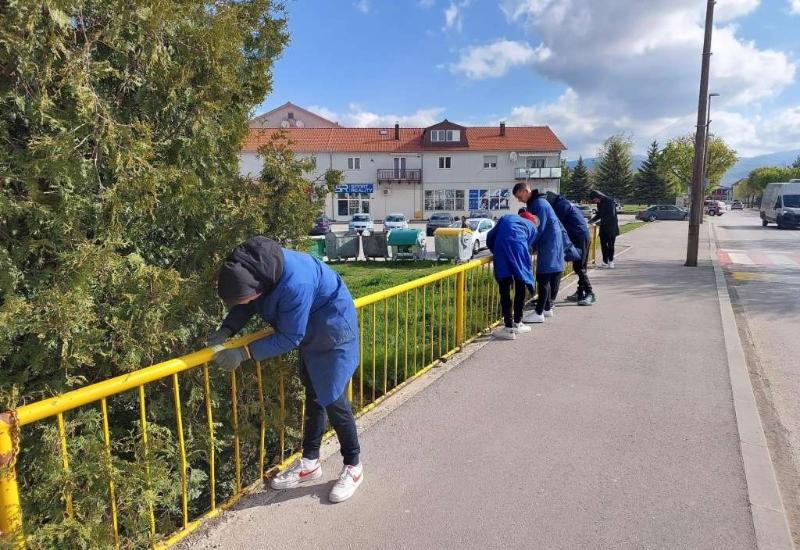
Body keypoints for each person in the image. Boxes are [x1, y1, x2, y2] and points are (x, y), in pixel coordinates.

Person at [207, 236, 363, 503]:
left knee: (335, 400)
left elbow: (291, 336)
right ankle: (310, 462)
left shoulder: (295, 282)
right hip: (309, 332)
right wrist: (228, 328)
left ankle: (353, 466)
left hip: (333, 332)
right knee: (315, 395)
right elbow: (247, 303)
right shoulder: (257, 268)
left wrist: (243, 352)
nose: (244, 303)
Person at [512, 183, 565, 323]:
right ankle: (547, 308)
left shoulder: (538, 204)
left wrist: (526, 245)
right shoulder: (539, 202)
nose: (519, 200)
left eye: (519, 196)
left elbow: (537, 228)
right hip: (551, 243)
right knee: (546, 277)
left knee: (543, 278)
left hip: (549, 244)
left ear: (525, 191)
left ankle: (539, 312)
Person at [486, 215, 538, 340]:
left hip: (502, 250)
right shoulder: (533, 228)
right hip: (519, 251)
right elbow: (528, 244)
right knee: (520, 286)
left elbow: (490, 236)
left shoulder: (507, 217)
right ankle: (518, 323)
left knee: (504, 290)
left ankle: (508, 328)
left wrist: (495, 249)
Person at [545, 192, 596, 306]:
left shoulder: (560, 206)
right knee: (581, 266)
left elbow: (555, 224)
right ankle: (580, 292)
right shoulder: (564, 203)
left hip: (579, 236)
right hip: (581, 235)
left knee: (579, 267)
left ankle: (590, 293)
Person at [589, 190, 620, 268]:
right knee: (603, 245)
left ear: (599, 196)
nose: (595, 201)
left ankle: (611, 261)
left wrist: (599, 223)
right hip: (603, 226)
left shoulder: (610, 202)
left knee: (610, 245)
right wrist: (591, 220)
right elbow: (599, 214)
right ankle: (605, 262)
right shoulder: (599, 203)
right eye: (594, 201)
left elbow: (611, 215)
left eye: (595, 199)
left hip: (611, 226)